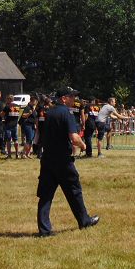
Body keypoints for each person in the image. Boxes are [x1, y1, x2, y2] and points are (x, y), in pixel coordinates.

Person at [36, 87, 99, 237]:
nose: (74, 100)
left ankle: (44, 230)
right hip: (63, 160)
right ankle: (84, 221)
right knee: (74, 191)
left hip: (47, 159)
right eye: (72, 97)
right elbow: (74, 137)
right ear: (64, 98)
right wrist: (83, 145)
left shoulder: (47, 112)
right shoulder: (66, 113)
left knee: (45, 195)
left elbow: (40, 132)